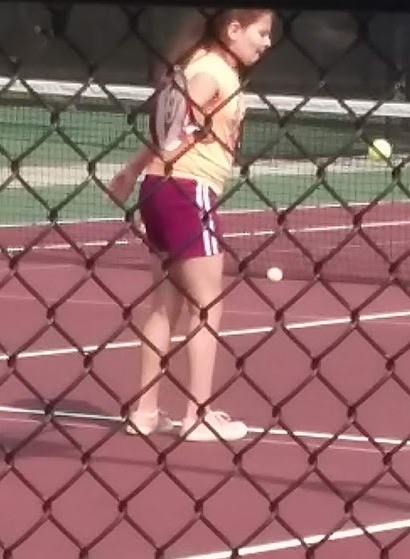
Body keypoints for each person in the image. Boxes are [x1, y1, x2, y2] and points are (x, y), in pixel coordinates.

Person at [107, 8, 274, 442]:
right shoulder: (212, 69)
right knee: (206, 305)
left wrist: (130, 172)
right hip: (187, 190)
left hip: (158, 188)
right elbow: (179, 119)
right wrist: (188, 127)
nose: (267, 42)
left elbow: (167, 126)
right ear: (233, 28)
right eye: (262, 32)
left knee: (166, 305)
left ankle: (145, 412)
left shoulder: (195, 63)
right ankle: (198, 415)